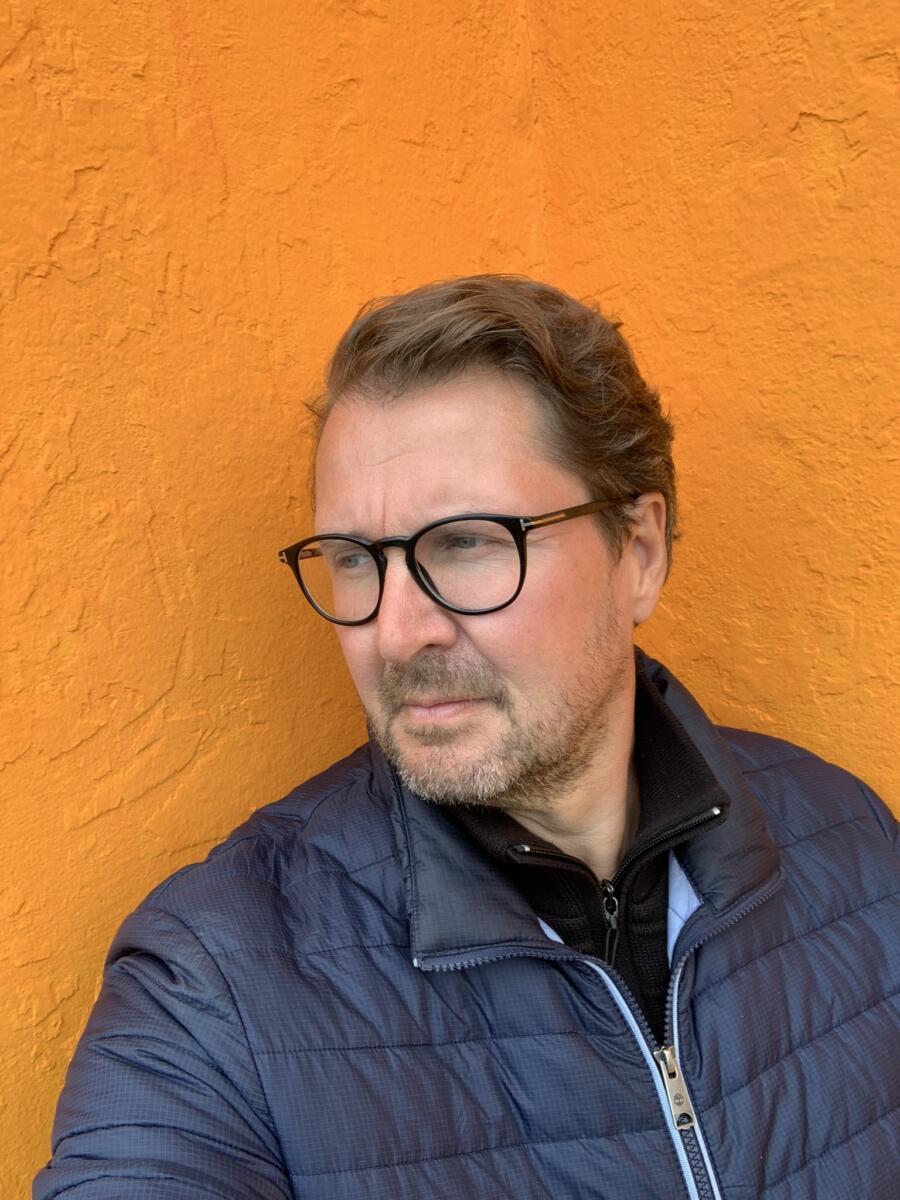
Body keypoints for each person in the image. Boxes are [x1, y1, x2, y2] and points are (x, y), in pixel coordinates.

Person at [35, 275, 898, 1200]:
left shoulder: (851, 842)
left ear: (639, 552)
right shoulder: (214, 984)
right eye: (356, 559)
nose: (396, 633)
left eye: (469, 542)